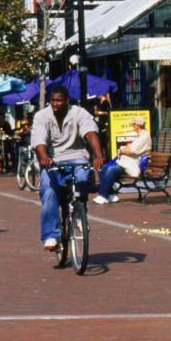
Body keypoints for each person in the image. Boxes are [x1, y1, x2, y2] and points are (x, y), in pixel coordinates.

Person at [31, 84, 105, 251]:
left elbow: (90, 133)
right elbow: (38, 140)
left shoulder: (78, 113)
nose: (55, 104)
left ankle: (80, 211)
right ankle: (51, 235)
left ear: (67, 101)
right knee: (49, 192)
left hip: (76, 156)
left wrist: (98, 155)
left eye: (59, 101)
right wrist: (44, 157)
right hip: (52, 159)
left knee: (82, 177)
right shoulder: (41, 116)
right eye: (52, 100)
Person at [94, 115, 151, 204]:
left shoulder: (144, 137)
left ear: (137, 126)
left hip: (134, 165)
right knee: (102, 168)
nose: (133, 127)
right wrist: (126, 149)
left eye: (133, 125)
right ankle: (111, 194)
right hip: (128, 162)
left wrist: (122, 150)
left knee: (111, 169)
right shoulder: (141, 136)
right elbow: (130, 148)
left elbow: (132, 151)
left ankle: (102, 195)